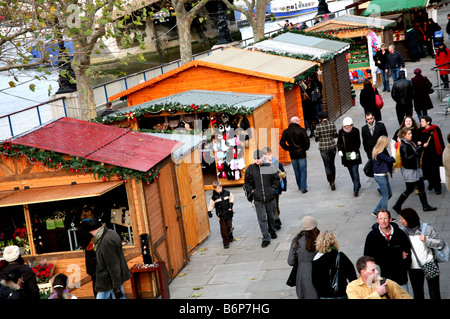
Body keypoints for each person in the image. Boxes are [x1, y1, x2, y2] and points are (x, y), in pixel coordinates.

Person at [399, 208, 443, 299]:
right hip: (413, 268)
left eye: (402, 219)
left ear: (409, 220)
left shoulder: (427, 228)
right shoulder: (402, 232)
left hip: (429, 263)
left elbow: (440, 243)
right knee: (418, 293)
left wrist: (426, 240)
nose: (400, 220)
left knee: (434, 292)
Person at [363, 209, 411, 291]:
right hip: (384, 279)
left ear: (390, 219)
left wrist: (403, 267)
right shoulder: (371, 236)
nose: (383, 221)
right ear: (377, 220)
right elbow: (368, 258)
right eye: (381, 219)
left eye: (385, 218)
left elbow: (407, 254)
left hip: (401, 278)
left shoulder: (400, 234)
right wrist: (398, 254)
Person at [392, 127, 437, 213]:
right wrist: (419, 150)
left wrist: (418, 149)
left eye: (411, 133)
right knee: (409, 189)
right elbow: (407, 158)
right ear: (403, 135)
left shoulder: (409, 143)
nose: (411, 135)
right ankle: (397, 205)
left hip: (415, 169)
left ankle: (425, 206)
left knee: (421, 186)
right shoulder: (404, 145)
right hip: (410, 171)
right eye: (409, 134)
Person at [85, 218, 131, 299]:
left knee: (102, 297)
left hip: (108, 278)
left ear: (93, 230)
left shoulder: (105, 242)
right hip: (114, 277)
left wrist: (116, 286)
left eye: (90, 232)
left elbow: (113, 265)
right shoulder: (111, 232)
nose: (91, 234)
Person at [244, 150, 280, 248]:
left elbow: (277, 179)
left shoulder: (270, 167)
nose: (257, 160)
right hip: (258, 198)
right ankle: (265, 238)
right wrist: (252, 191)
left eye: (258, 158)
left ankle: (272, 231)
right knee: (262, 219)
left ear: (263, 157)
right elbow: (246, 183)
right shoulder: (250, 169)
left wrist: (272, 190)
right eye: (255, 159)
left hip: (270, 197)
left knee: (271, 216)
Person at [312, 230, 357, 299]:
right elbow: (352, 276)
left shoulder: (316, 259)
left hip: (324, 295)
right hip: (341, 293)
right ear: (334, 242)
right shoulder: (341, 256)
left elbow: (314, 281)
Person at [346, 256, 412, 299]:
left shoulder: (386, 283)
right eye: (372, 270)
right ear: (363, 272)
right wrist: (377, 294)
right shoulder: (352, 287)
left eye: (376, 269)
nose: (377, 272)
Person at [287, 216, 320, 299]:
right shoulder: (320, 240)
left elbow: (290, 261)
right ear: (315, 227)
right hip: (316, 271)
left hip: (301, 273)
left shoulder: (297, 240)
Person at [280, 116, 310, 193]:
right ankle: (303, 187)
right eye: (299, 121)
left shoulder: (286, 131)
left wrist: (288, 148)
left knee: (296, 170)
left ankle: (299, 186)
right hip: (301, 153)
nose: (300, 122)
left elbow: (282, 143)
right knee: (303, 170)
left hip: (292, 154)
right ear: (296, 121)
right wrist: (305, 149)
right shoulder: (301, 130)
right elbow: (307, 141)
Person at [419, 115, 445, 194]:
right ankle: (431, 183)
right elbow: (418, 141)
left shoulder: (435, 129)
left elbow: (440, 141)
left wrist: (442, 153)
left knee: (435, 171)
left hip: (434, 154)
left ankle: (437, 188)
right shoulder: (420, 130)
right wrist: (422, 144)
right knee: (427, 170)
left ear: (428, 122)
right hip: (425, 155)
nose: (421, 123)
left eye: (423, 121)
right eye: (421, 121)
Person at [337, 117, 362, 197]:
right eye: (346, 126)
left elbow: (358, 142)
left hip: (354, 155)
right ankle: (357, 183)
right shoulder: (341, 132)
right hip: (345, 156)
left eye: (348, 126)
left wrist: (354, 151)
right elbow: (339, 142)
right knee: (351, 172)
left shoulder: (355, 131)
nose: (347, 127)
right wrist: (340, 150)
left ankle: (355, 189)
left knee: (355, 172)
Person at [263, 147, 286, 230]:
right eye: (268, 154)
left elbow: (283, 172)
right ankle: (276, 220)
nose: (270, 156)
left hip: (276, 188)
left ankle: (277, 218)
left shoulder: (276, 162)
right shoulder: (262, 165)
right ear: (264, 155)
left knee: (276, 204)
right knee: (272, 205)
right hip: (268, 189)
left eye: (271, 153)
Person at [371, 137, 395, 215]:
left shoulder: (378, 150)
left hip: (382, 175)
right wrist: (393, 150)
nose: (388, 144)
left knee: (389, 194)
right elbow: (392, 160)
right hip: (380, 176)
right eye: (387, 142)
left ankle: (376, 211)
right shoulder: (380, 154)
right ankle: (384, 215)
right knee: (385, 196)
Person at [207, 180, 235, 249]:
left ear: (222, 187)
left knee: (229, 226)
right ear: (214, 189)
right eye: (217, 189)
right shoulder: (214, 197)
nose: (219, 190)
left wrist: (230, 206)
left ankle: (230, 234)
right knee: (223, 229)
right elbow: (211, 204)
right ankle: (225, 242)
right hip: (220, 215)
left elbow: (232, 198)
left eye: (219, 188)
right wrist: (210, 212)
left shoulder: (227, 193)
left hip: (228, 213)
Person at [314, 111, 338, 190]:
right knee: (332, 163)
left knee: (327, 165)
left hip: (323, 148)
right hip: (332, 146)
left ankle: (331, 181)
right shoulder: (332, 124)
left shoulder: (318, 127)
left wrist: (321, 138)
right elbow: (335, 135)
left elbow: (316, 139)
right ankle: (333, 179)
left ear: (320, 118)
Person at [79, 207, 97, 297]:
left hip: (88, 255)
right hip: (94, 253)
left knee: (94, 280)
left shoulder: (81, 226)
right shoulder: (92, 225)